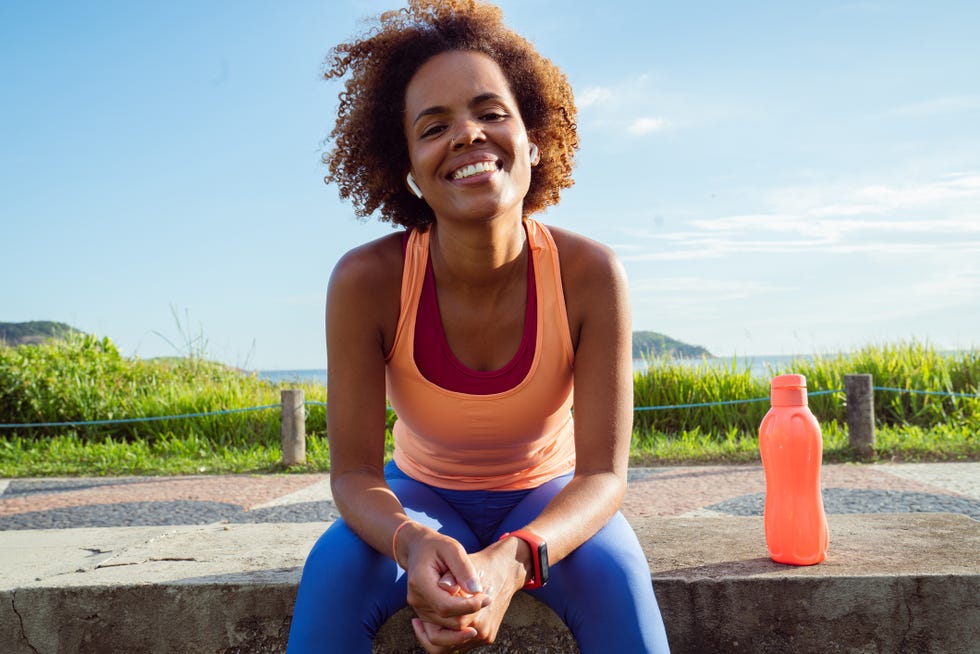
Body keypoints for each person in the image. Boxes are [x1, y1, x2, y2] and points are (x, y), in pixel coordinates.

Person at [287, 1, 670, 652]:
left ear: (533, 139)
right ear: (408, 169)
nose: (467, 134)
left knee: (618, 574)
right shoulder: (367, 282)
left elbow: (603, 476)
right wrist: (410, 541)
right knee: (334, 569)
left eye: (491, 113)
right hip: (420, 500)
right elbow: (353, 475)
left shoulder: (591, 274)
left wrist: (518, 557)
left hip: (548, 498)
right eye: (433, 127)